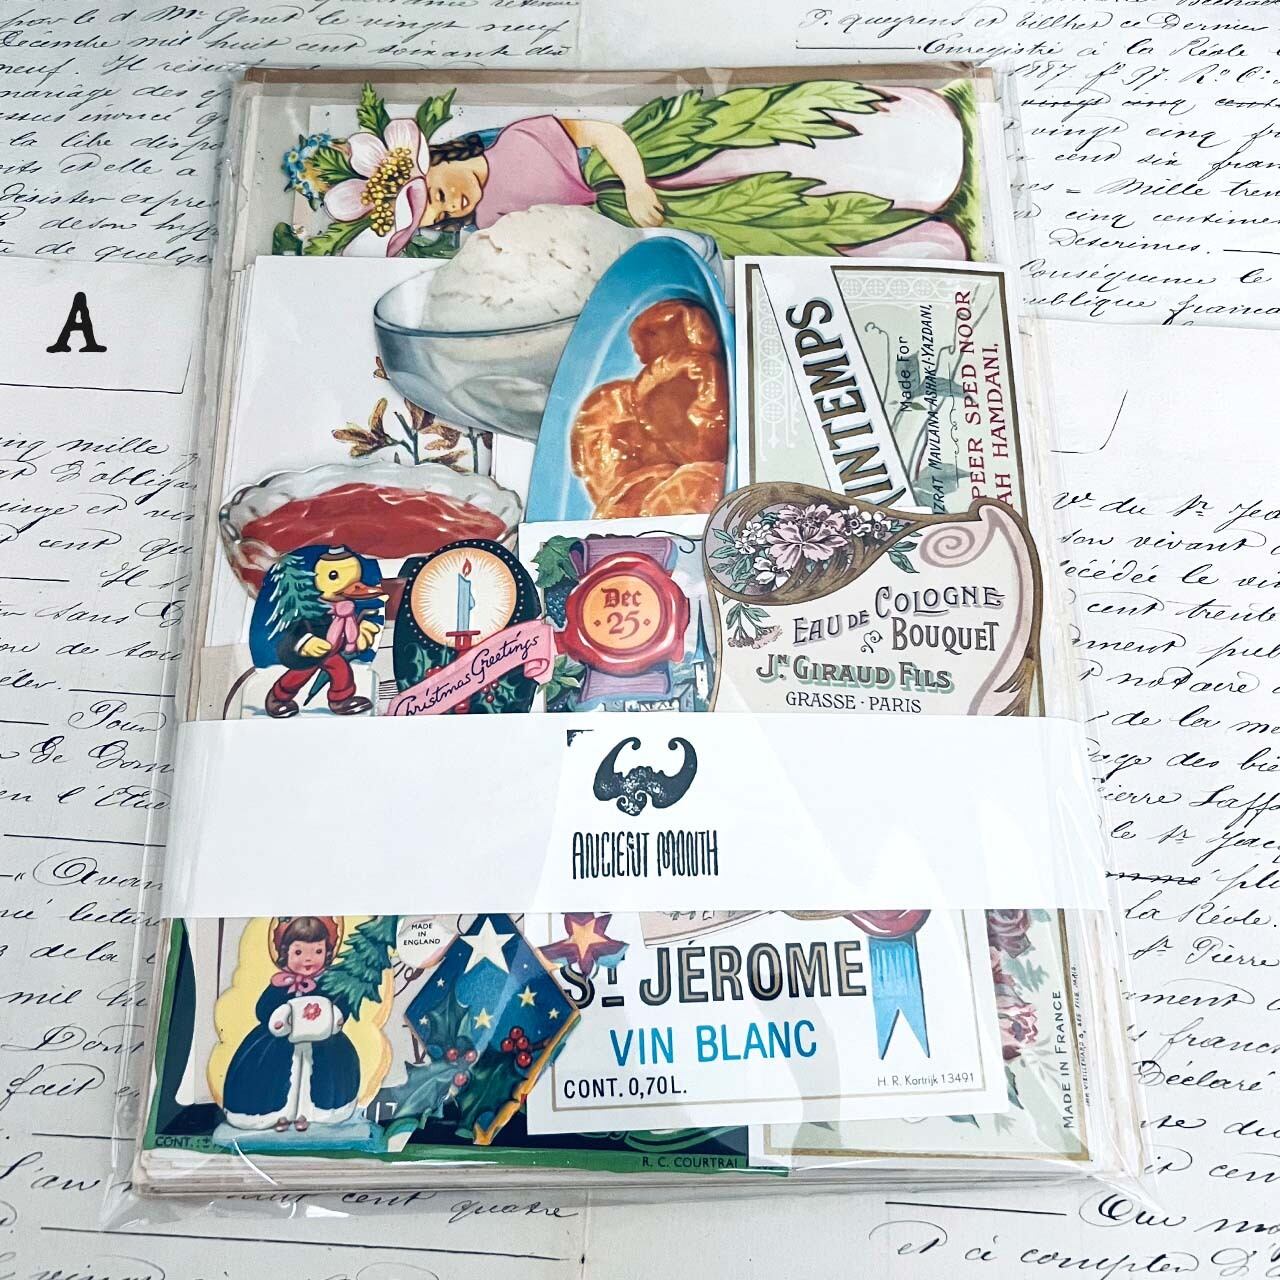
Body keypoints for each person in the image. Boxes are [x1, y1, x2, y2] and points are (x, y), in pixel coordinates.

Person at [305, 80, 974, 260]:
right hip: (637, 224)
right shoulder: (489, 223)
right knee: (773, 221)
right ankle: (913, 237)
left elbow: (601, 133)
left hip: (645, 165)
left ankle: (915, 157)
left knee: (762, 151)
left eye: (434, 192)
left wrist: (633, 182)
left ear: (434, 160)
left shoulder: (518, 138)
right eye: (435, 214)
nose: (448, 205)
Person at [222, 917, 360, 1133]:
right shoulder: (280, 984)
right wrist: (278, 1017)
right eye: (299, 952)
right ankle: (279, 1115)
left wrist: (335, 1016)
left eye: (317, 951)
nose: (308, 959)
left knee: (318, 1076)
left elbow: (342, 1003)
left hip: (323, 1042)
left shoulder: (329, 983)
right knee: (274, 1075)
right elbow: (263, 1008)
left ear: (328, 952)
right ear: (285, 952)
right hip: (280, 1043)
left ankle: (308, 1114)